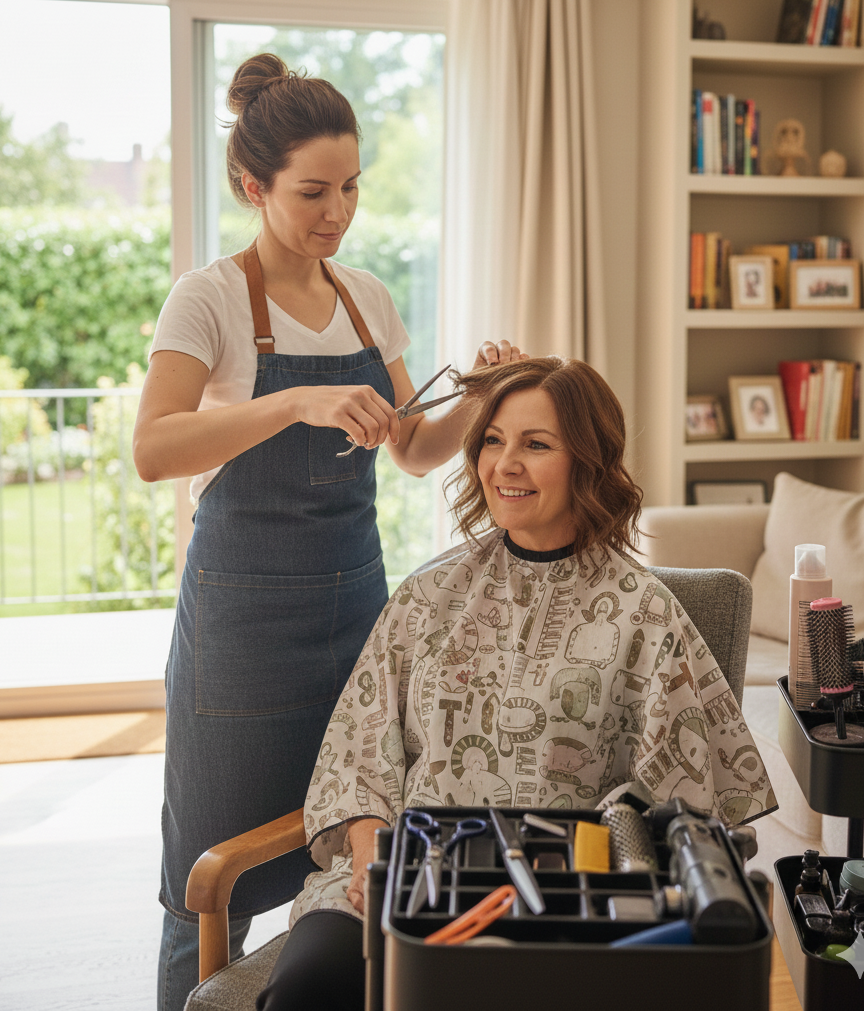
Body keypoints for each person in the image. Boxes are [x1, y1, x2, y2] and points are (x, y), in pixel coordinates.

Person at [133, 53, 526, 1011]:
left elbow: (412, 448)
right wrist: (296, 401)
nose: (336, 212)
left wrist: (479, 399)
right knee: (203, 873)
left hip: (356, 608)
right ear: (251, 185)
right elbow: (154, 448)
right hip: (239, 626)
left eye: (350, 188)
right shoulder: (210, 298)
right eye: (313, 191)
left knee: (355, 834)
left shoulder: (366, 296)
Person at [256, 356, 775, 1009]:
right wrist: (368, 861)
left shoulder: (646, 615)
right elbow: (360, 755)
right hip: (404, 887)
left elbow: (695, 812)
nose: (506, 465)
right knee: (307, 989)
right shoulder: (428, 595)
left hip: (562, 910)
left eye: (536, 444)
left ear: (587, 461)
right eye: (494, 442)